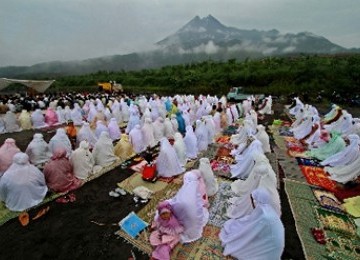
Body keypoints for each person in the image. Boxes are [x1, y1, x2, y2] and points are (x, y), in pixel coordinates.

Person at [219, 187, 285, 260]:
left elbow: (251, 232)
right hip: (272, 243)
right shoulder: (267, 209)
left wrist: (238, 237)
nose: (252, 202)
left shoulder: (265, 217)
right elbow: (252, 220)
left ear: (257, 201)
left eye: (253, 200)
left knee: (237, 246)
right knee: (238, 227)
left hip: (270, 249)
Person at [169, 170, 209, 243]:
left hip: (187, 222)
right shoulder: (198, 188)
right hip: (195, 222)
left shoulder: (185, 191)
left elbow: (177, 204)